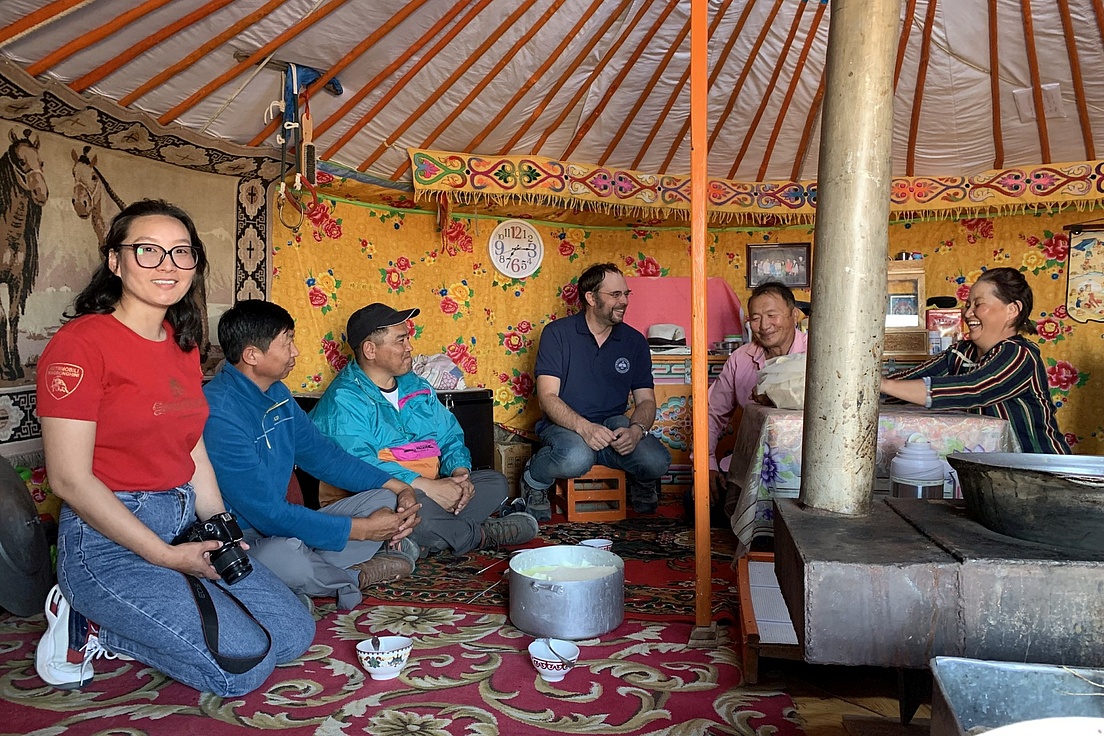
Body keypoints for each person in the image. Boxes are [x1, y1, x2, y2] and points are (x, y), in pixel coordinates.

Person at [34, 200, 314, 696]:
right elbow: (69, 479)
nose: (167, 265)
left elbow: (192, 449)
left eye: (181, 252)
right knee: (243, 667)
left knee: (294, 635)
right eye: (148, 250)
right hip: (109, 541)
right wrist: (163, 557)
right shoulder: (80, 344)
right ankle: (88, 621)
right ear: (115, 261)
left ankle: (170, 603)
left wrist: (220, 525)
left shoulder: (180, 344)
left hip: (184, 523)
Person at [202, 300, 423, 612]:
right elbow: (268, 514)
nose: (296, 353)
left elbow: (324, 457)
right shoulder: (219, 412)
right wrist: (361, 530)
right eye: (287, 342)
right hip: (246, 540)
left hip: (290, 527)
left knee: (383, 501)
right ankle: (352, 578)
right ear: (252, 355)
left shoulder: (277, 393)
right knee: (288, 558)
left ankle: (301, 584)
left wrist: (399, 486)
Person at [310, 303, 538, 555]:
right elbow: (360, 465)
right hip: (377, 496)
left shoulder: (416, 385)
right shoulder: (344, 398)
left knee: (495, 483)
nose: (410, 347)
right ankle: (479, 535)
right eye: (400, 340)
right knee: (413, 509)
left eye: (407, 338)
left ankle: (422, 540)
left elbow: (449, 435)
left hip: (430, 489)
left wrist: (459, 476)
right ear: (370, 349)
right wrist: (426, 488)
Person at [521, 263, 672, 520]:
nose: (624, 301)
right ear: (591, 298)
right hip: (565, 425)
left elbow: (646, 401)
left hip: (613, 424)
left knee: (657, 461)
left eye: (626, 294)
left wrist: (636, 432)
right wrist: (585, 429)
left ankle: (637, 477)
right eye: (615, 295)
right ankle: (534, 479)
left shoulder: (634, 342)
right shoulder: (557, 334)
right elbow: (547, 398)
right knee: (576, 457)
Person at [881, 267, 1070, 454]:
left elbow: (974, 389)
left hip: (1039, 472)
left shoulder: (1020, 355)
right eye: (968, 305)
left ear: (1012, 310)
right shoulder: (960, 353)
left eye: (978, 304)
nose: (968, 313)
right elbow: (905, 381)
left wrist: (883, 385)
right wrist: (875, 386)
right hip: (992, 472)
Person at [705, 282, 808, 511]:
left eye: (772, 315)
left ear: (794, 315)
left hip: (806, 466)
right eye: (755, 318)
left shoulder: (816, 353)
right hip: (750, 463)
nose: (764, 326)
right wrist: (707, 464)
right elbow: (712, 413)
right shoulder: (741, 358)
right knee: (701, 503)